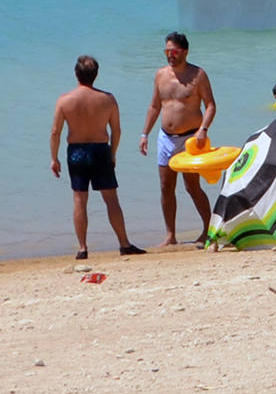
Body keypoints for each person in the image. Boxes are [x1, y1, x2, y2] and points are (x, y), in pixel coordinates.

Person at [50, 56, 146, 259]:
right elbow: (117, 130)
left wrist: (54, 158)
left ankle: (83, 248)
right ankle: (124, 243)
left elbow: (55, 132)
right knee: (111, 199)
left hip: (76, 152)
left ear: (76, 74)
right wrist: (113, 153)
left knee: (79, 199)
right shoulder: (107, 99)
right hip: (100, 150)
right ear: (96, 75)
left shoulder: (64, 100)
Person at [139, 32, 217, 246]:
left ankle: (208, 229)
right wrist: (145, 133)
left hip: (190, 138)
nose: (170, 56)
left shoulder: (198, 75)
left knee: (192, 186)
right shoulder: (160, 75)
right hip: (165, 138)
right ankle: (170, 235)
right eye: (167, 52)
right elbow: (154, 106)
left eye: (174, 51)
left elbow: (210, 105)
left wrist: (203, 129)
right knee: (166, 186)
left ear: (184, 51)